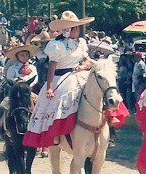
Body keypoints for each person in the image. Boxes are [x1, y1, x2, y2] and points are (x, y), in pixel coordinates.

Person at [23, 11, 96, 148]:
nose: (78, 30)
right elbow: (52, 68)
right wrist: (50, 87)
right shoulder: (56, 45)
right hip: (60, 78)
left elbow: (87, 61)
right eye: (75, 28)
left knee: (99, 88)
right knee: (58, 102)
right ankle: (57, 133)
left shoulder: (81, 43)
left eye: (78, 27)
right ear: (67, 30)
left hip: (78, 74)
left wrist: (83, 66)